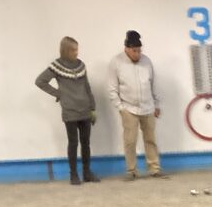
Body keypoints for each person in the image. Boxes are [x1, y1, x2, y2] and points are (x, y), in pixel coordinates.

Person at [35, 37, 100, 186]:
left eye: (77, 49)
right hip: (70, 111)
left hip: (85, 109)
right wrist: (58, 94)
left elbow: (87, 86)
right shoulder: (56, 66)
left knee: (86, 143)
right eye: (73, 50)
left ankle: (87, 173)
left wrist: (93, 107)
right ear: (66, 50)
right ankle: (74, 175)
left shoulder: (81, 65)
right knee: (73, 143)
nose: (77, 52)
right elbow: (40, 81)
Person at [108, 30, 167, 179]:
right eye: (134, 51)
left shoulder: (147, 62)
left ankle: (154, 168)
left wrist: (156, 104)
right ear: (126, 49)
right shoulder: (116, 63)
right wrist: (120, 108)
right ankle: (132, 170)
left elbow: (153, 84)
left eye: (139, 50)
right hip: (128, 108)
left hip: (148, 107)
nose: (137, 54)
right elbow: (112, 88)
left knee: (150, 139)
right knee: (130, 141)